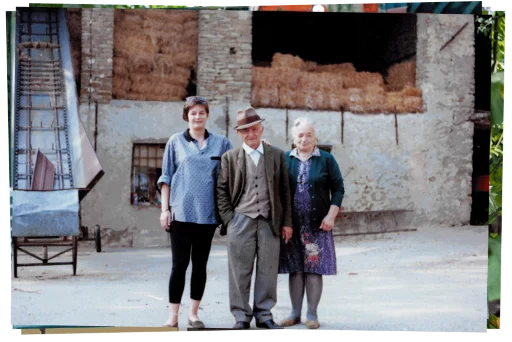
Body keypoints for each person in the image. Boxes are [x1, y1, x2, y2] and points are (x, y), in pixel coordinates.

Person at [158, 96, 233, 329]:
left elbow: (233, 173)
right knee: (179, 265)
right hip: (180, 213)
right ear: (186, 116)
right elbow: (166, 178)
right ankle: (173, 316)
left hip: (208, 216)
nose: (197, 116)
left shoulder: (222, 143)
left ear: (207, 115)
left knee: (200, 265)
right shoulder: (175, 142)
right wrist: (164, 210)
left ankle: (193, 314)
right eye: (193, 113)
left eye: (201, 112)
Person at [216, 107, 293, 330]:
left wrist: (286, 221)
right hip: (240, 220)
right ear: (239, 134)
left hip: (270, 220)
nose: (251, 134)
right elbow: (221, 191)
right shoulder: (229, 158)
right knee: (239, 270)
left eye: (255, 129)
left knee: (268, 269)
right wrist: (229, 219)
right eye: (246, 131)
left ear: (262, 129)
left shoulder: (276, 154)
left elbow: (285, 191)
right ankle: (241, 315)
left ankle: (264, 314)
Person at [278, 117, 345, 330]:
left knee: (314, 268)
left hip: (318, 225)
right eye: (300, 135)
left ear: (315, 138)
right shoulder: (285, 159)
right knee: (295, 269)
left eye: (309, 135)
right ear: (293, 138)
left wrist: (331, 215)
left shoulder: (326, 159)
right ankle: (294, 313)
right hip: (292, 225)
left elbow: (338, 189)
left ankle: (312, 313)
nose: (304, 139)